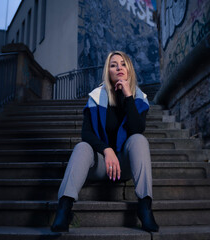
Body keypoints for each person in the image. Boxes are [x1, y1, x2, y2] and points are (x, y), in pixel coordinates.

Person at [50, 51, 159, 233]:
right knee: (82, 146)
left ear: (129, 69)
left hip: (125, 165)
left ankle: (145, 207)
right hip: (100, 165)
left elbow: (137, 129)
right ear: (108, 71)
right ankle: (64, 208)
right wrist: (107, 150)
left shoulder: (139, 98)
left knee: (139, 140)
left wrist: (128, 96)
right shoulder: (95, 98)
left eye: (123, 64)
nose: (119, 68)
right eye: (113, 64)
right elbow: (86, 134)